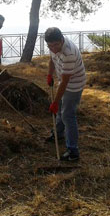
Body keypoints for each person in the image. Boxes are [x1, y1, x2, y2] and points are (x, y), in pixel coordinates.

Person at [45, 27, 86, 161]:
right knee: (60, 113)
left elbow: (65, 82)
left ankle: (73, 151)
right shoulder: (53, 47)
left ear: (62, 40)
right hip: (63, 81)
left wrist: (55, 102)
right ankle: (58, 134)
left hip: (74, 85)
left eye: (56, 45)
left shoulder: (69, 53)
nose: (53, 49)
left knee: (68, 115)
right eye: (50, 46)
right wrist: (49, 74)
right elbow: (52, 59)